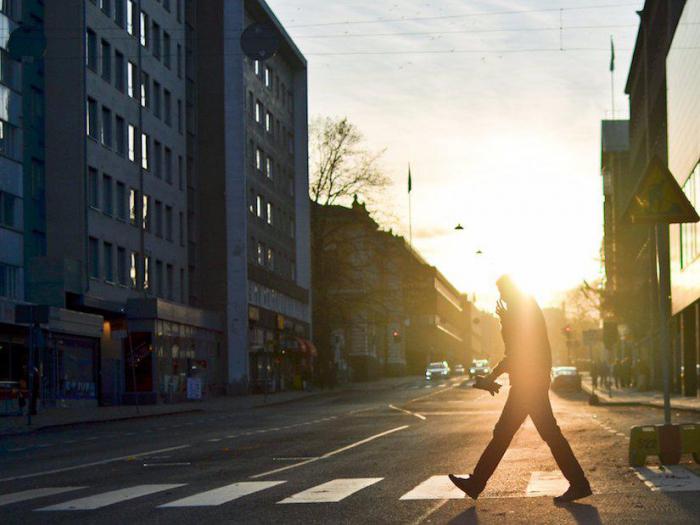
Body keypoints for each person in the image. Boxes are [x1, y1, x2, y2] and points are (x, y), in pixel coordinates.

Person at [449, 275, 591, 503]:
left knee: (507, 434)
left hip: (528, 383)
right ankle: (579, 483)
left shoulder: (521, 311)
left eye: (503, 292)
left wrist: (492, 375)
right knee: (539, 434)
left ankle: (477, 483)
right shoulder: (525, 308)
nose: (502, 297)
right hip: (532, 381)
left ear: (511, 290)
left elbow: (515, 353)